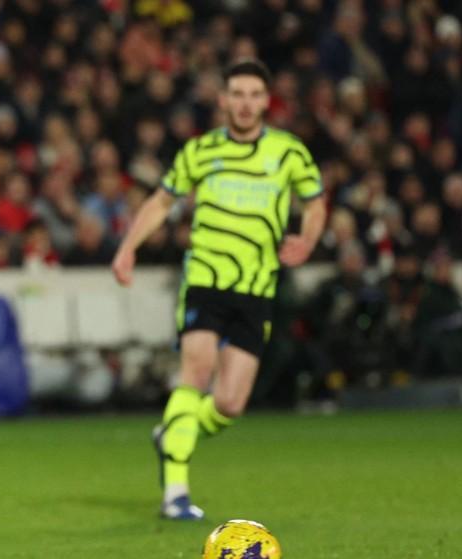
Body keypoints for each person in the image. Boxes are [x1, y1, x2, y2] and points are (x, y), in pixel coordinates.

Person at [112, 60, 327, 520]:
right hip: (205, 280)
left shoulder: (289, 153)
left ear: (267, 101)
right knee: (196, 371)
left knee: (229, 404)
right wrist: (128, 247)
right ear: (223, 100)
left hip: (255, 287)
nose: (246, 103)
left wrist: (307, 239)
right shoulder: (200, 151)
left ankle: (174, 432)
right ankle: (175, 493)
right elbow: (162, 201)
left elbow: (315, 203)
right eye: (237, 94)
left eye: (254, 94)